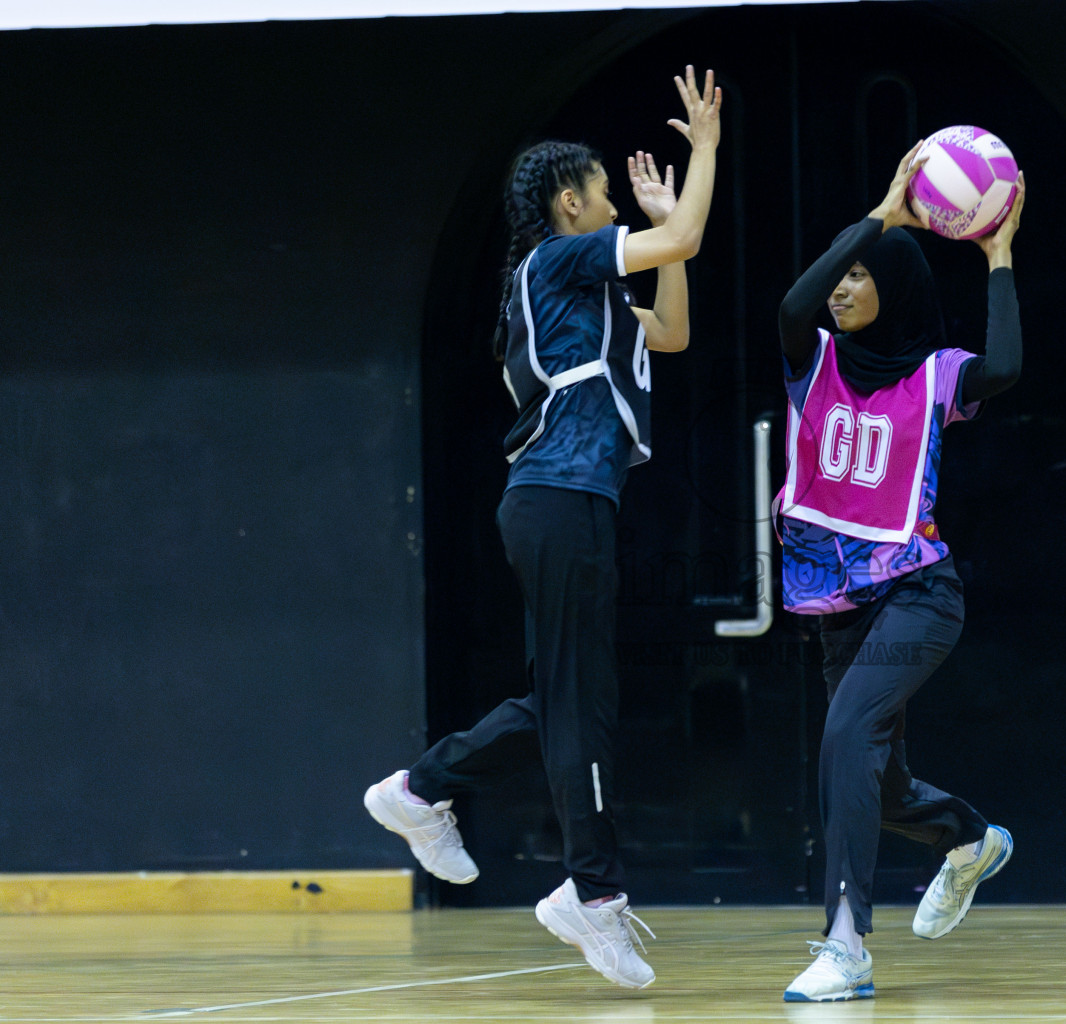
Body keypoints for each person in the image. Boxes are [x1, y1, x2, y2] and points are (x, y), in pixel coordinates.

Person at [364, 65, 723, 991]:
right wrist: (704, 154)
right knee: (581, 707)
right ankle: (591, 897)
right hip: (557, 498)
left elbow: (674, 333)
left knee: (567, 702)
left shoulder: (592, 302)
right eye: (605, 190)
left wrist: (669, 239)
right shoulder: (556, 263)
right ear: (571, 202)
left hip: (574, 503)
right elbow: (679, 231)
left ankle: (422, 790)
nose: (616, 202)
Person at [775, 144, 1026, 1003]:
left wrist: (997, 258)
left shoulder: (935, 376)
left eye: (858, 277)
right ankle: (969, 839)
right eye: (837, 276)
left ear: (896, 287)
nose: (839, 290)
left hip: (920, 594)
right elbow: (792, 302)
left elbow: (1007, 367)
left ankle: (845, 944)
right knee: (878, 788)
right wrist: (880, 215)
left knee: (844, 739)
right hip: (841, 607)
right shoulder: (809, 360)